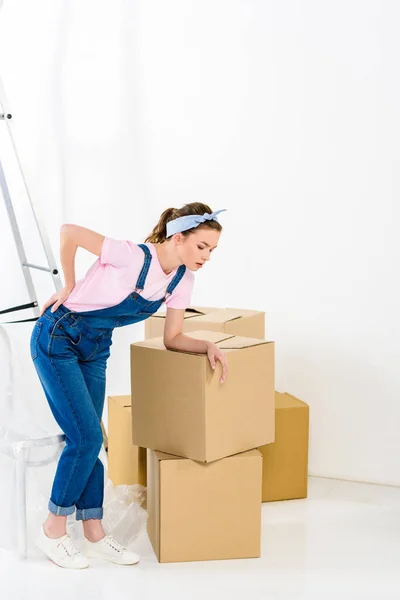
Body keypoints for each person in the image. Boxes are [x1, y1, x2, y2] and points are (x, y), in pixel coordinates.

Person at [30, 202, 228, 569]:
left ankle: (93, 534)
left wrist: (208, 346)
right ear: (179, 236)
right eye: (202, 246)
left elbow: (173, 338)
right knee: (85, 438)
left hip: (95, 348)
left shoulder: (182, 280)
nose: (207, 256)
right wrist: (69, 285)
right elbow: (69, 232)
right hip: (58, 338)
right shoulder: (132, 256)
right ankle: (53, 528)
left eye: (212, 250)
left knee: (94, 440)